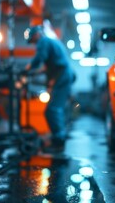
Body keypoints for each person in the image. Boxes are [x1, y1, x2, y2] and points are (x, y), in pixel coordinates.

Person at [24, 25, 75, 153]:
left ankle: (58, 141)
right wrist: (35, 73)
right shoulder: (51, 42)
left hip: (62, 76)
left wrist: (27, 69)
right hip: (65, 75)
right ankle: (58, 138)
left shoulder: (44, 41)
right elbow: (49, 64)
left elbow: (40, 58)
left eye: (32, 40)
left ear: (35, 35)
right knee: (55, 109)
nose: (33, 44)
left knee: (52, 109)